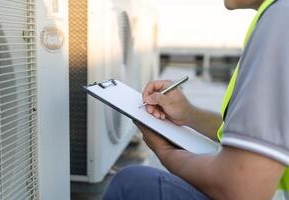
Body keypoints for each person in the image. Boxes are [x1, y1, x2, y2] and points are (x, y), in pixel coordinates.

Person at [102, 0, 289, 199]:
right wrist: (190, 115)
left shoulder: (281, 16)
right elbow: (264, 133)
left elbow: (240, 188)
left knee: (131, 185)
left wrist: (167, 153)